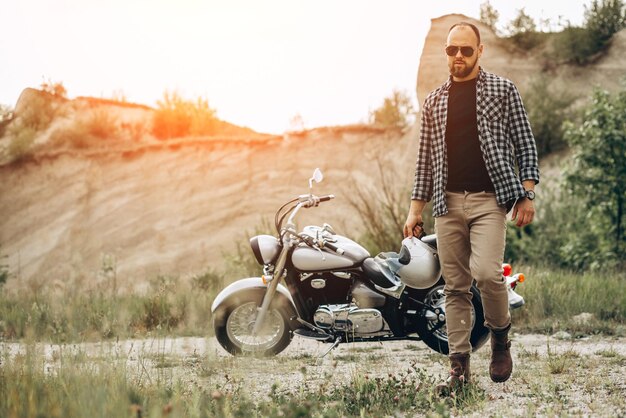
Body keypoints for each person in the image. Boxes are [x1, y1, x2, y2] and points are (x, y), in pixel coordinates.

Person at [403, 21, 539, 392]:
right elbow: (424, 163)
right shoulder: (434, 101)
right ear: (445, 53)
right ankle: (459, 368)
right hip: (447, 205)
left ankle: (499, 339)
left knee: (487, 274)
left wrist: (527, 193)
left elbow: (525, 143)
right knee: (454, 288)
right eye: (451, 50)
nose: (458, 56)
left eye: (466, 50)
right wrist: (416, 209)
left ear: (480, 52)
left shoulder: (502, 89)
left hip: (489, 201)